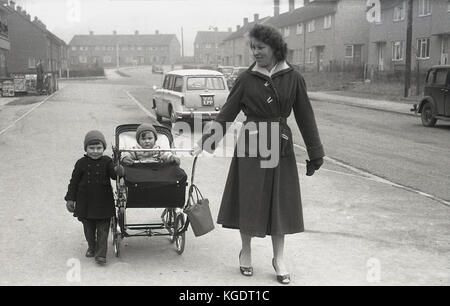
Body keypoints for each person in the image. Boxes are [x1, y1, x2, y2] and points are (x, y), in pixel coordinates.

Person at [195, 24, 324, 284]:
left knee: (280, 203)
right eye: (252, 47)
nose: (255, 52)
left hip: (280, 145)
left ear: (275, 48)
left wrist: (315, 152)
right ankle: (246, 251)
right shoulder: (245, 79)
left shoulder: (293, 78)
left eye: (260, 47)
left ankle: (279, 258)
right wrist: (208, 142)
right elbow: (227, 113)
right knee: (249, 200)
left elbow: (305, 117)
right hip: (252, 144)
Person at [65, 130, 123, 265]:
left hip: (103, 202)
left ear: (103, 148)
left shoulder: (107, 161)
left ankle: (101, 254)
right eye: (91, 148)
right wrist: (70, 199)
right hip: (85, 203)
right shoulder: (80, 163)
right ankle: (92, 246)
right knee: (89, 229)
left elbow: (114, 175)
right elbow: (73, 182)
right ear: (86, 148)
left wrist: (118, 170)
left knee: (103, 229)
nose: (95, 151)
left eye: (99, 148)